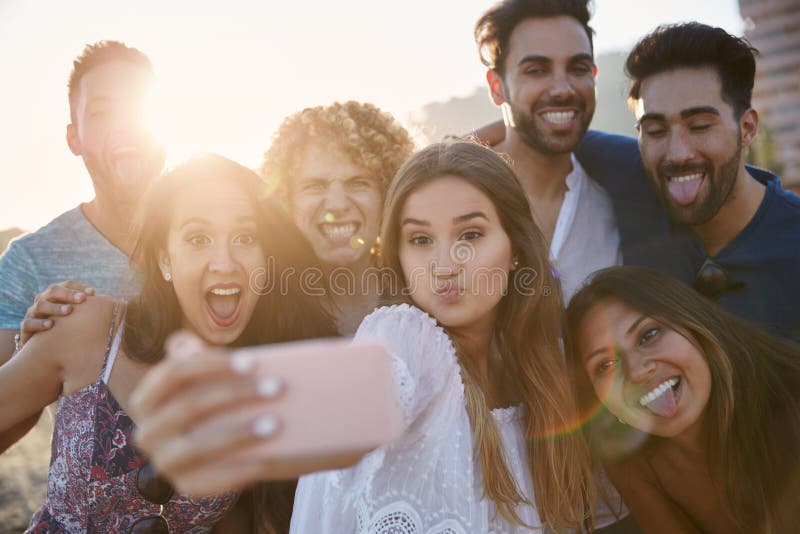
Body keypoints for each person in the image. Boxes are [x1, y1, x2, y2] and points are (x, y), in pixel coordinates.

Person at [130, 141, 605, 532]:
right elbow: (362, 391)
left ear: (516, 248)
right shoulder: (407, 339)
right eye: (420, 240)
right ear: (398, 257)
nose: (444, 264)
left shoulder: (549, 379)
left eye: (471, 235)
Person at [0, 154, 335, 531]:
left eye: (244, 237)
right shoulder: (91, 327)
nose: (224, 263)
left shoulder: (267, 380)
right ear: (165, 260)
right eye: (198, 238)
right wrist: (26, 348)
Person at [564, 266, 800, 532]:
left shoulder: (791, 399)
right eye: (606, 365)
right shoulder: (632, 462)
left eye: (648, 335)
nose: (637, 371)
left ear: (696, 326)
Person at [621, 22, 800, 340]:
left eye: (700, 125)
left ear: (746, 128)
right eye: (656, 131)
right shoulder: (625, 187)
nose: (677, 154)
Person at [473, 0, 622, 300]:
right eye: (537, 70)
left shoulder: (617, 207)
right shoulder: (454, 198)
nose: (562, 89)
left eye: (578, 68)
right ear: (497, 86)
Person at [260, 101, 416, 334]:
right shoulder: (263, 313)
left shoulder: (423, 298)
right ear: (286, 201)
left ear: (387, 194)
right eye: (315, 186)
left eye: (358, 183)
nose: (337, 204)